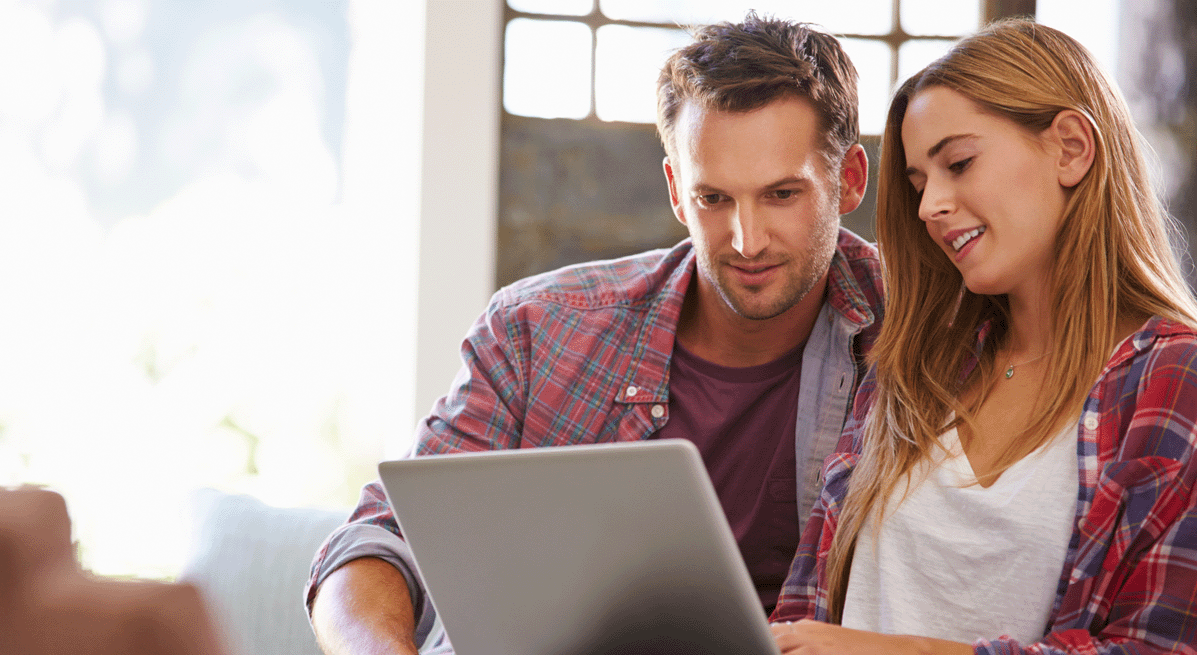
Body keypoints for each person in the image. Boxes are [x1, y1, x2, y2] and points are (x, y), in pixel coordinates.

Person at [308, 13, 881, 655]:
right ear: (674, 191)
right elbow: (378, 540)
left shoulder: (919, 332)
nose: (746, 241)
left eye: (781, 195)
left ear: (849, 179)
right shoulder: (536, 329)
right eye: (713, 199)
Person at [770, 19, 1197, 655]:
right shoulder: (913, 367)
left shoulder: (1173, 380)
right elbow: (807, 613)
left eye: (959, 163)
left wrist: (903, 652)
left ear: (1072, 148)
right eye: (918, 183)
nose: (928, 207)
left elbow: (1156, 648)